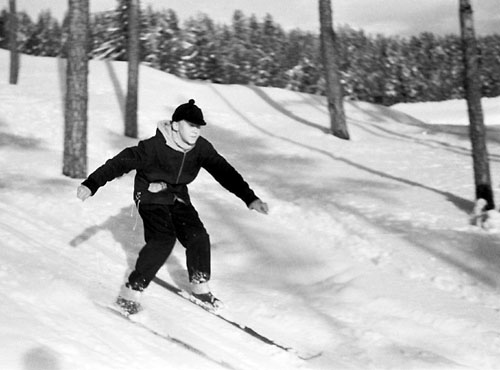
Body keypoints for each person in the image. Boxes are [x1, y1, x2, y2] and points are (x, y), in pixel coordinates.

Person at [77, 99, 268, 314]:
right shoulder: (152, 148)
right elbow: (119, 163)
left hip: (177, 196)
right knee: (163, 239)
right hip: (149, 196)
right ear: (176, 125)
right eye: (191, 125)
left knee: (198, 237)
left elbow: (225, 171)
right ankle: (130, 292)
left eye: (198, 126)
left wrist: (250, 198)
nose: (196, 131)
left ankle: (200, 285)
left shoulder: (201, 148)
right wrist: (91, 184)